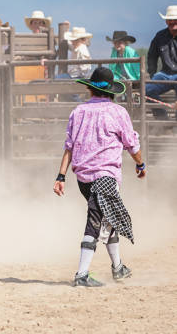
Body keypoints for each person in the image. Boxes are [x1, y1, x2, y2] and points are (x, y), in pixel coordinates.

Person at [53, 67, 146, 287]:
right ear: (111, 91)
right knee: (95, 222)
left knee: (106, 216)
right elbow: (132, 144)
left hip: (83, 178)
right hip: (105, 175)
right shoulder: (117, 112)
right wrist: (140, 164)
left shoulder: (78, 112)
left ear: (90, 89)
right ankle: (82, 274)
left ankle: (118, 267)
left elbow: (69, 147)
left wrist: (61, 176)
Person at [145, 5, 177, 119]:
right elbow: (152, 56)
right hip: (165, 74)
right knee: (147, 90)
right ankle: (163, 121)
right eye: (170, 20)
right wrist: (153, 74)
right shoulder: (160, 36)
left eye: (175, 20)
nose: (173, 22)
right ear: (166, 21)